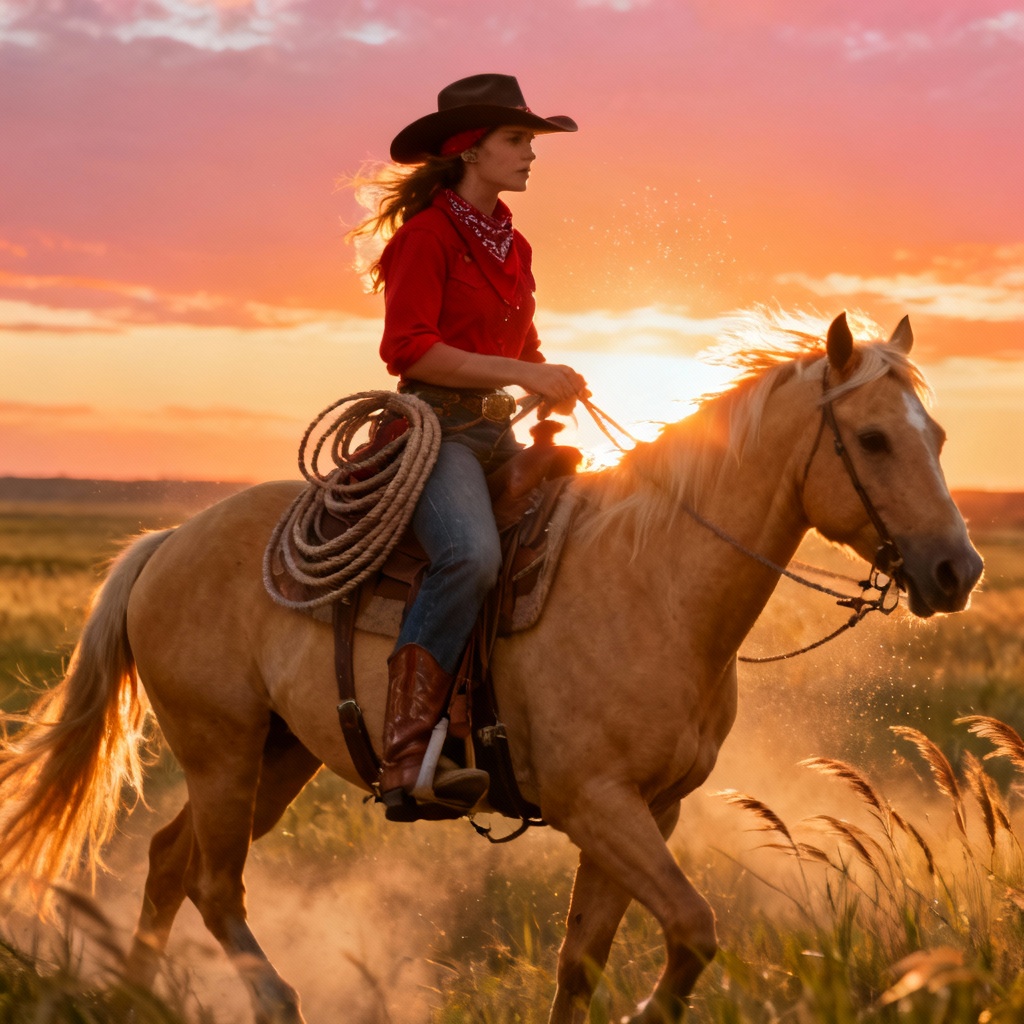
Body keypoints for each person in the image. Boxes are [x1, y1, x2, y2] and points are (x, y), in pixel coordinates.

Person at [351, 73, 589, 819]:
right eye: (518, 140)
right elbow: (410, 349)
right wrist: (524, 369)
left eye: (529, 141)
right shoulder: (424, 239)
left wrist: (553, 374)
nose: (530, 154)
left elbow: (521, 341)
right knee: (471, 556)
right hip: (435, 432)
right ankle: (408, 753)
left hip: (496, 431)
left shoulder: (512, 243)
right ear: (468, 149)